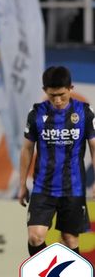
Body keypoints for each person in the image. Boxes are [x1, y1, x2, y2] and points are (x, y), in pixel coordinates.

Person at [18, 66, 95, 257]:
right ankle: (47, 276)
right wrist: (21, 185)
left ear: (71, 88)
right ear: (45, 91)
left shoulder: (84, 113)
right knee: (35, 237)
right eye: (52, 95)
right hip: (43, 188)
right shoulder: (36, 114)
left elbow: (94, 147)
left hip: (74, 188)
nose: (58, 100)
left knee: (70, 241)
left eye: (62, 94)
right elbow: (27, 149)